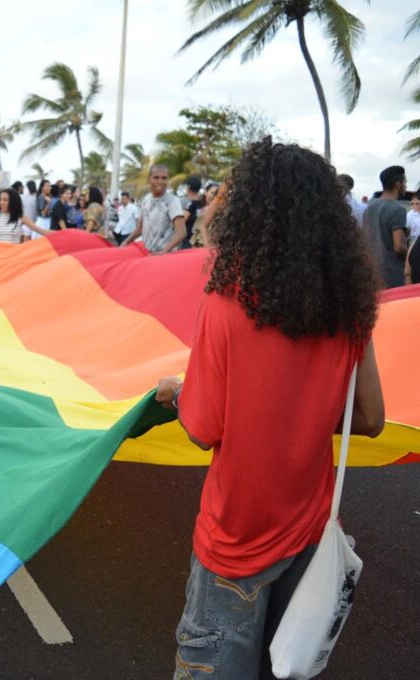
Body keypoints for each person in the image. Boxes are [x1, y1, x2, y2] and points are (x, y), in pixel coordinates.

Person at [155, 139, 384, 679]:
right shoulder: (350, 310)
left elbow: (203, 427)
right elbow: (369, 419)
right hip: (307, 541)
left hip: (232, 547)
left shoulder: (225, 302)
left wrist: (177, 390)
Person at [120, 164, 186, 254]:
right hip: (147, 253)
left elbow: (181, 232)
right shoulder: (146, 199)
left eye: (164, 178)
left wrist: (163, 252)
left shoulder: (172, 201)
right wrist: (126, 242)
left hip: (165, 256)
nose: (160, 181)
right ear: (149, 179)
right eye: (156, 177)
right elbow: (140, 228)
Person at [361, 165, 409, 289]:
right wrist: (411, 254)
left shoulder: (369, 207)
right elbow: (398, 246)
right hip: (392, 274)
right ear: (398, 184)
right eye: (405, 182)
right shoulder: (397, 209)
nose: (406, 185)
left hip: (371, 273)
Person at [178, 177, 202, 249]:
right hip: (197, 240)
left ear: (188, 187)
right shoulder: (202, 204)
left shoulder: (188, 204)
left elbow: (180, 222)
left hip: (186, 241)